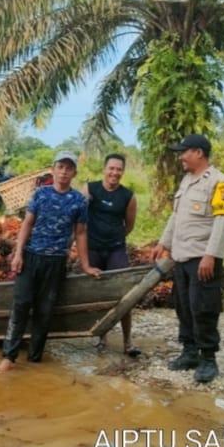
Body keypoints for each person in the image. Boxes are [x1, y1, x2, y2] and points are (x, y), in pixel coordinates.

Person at [0, 152, 100, 373]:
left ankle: (35, 358)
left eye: (68, 168)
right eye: (60, 167)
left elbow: (80, 234)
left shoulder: (79, 201)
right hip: (32, 257)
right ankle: (9, 357)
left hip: (56, 261)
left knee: (45, 311)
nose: (63, 172)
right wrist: (18, 254)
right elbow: (27, 224)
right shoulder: (41, 194)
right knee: (21, 305)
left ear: (74, 173)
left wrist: (87, 265)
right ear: (53, 170)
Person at [150, 134, 224, 384]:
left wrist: (211, 255)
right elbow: (176, 217)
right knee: (184, 306)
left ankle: (208, 359)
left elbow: (222, 222)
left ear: (198, 153)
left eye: (184, 152)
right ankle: (189, 352)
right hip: (182, 256)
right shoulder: (187, 181)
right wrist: (163, 243)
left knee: (204, 308)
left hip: (203, 258)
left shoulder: (219, 182)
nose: (180, 157)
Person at [81, 153, 139, 356]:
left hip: (115, 249)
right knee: (98, 294)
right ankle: (102, 337)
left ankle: (127, 341)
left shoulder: (128, 196)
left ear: (122, 172)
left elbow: (129, 225)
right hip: (93, 248)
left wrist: (115, 238)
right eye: (111, 168)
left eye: (119, 169)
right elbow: (79, 216)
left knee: (123, 295)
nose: (115, 172)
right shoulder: (90, 189)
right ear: (104, 169)